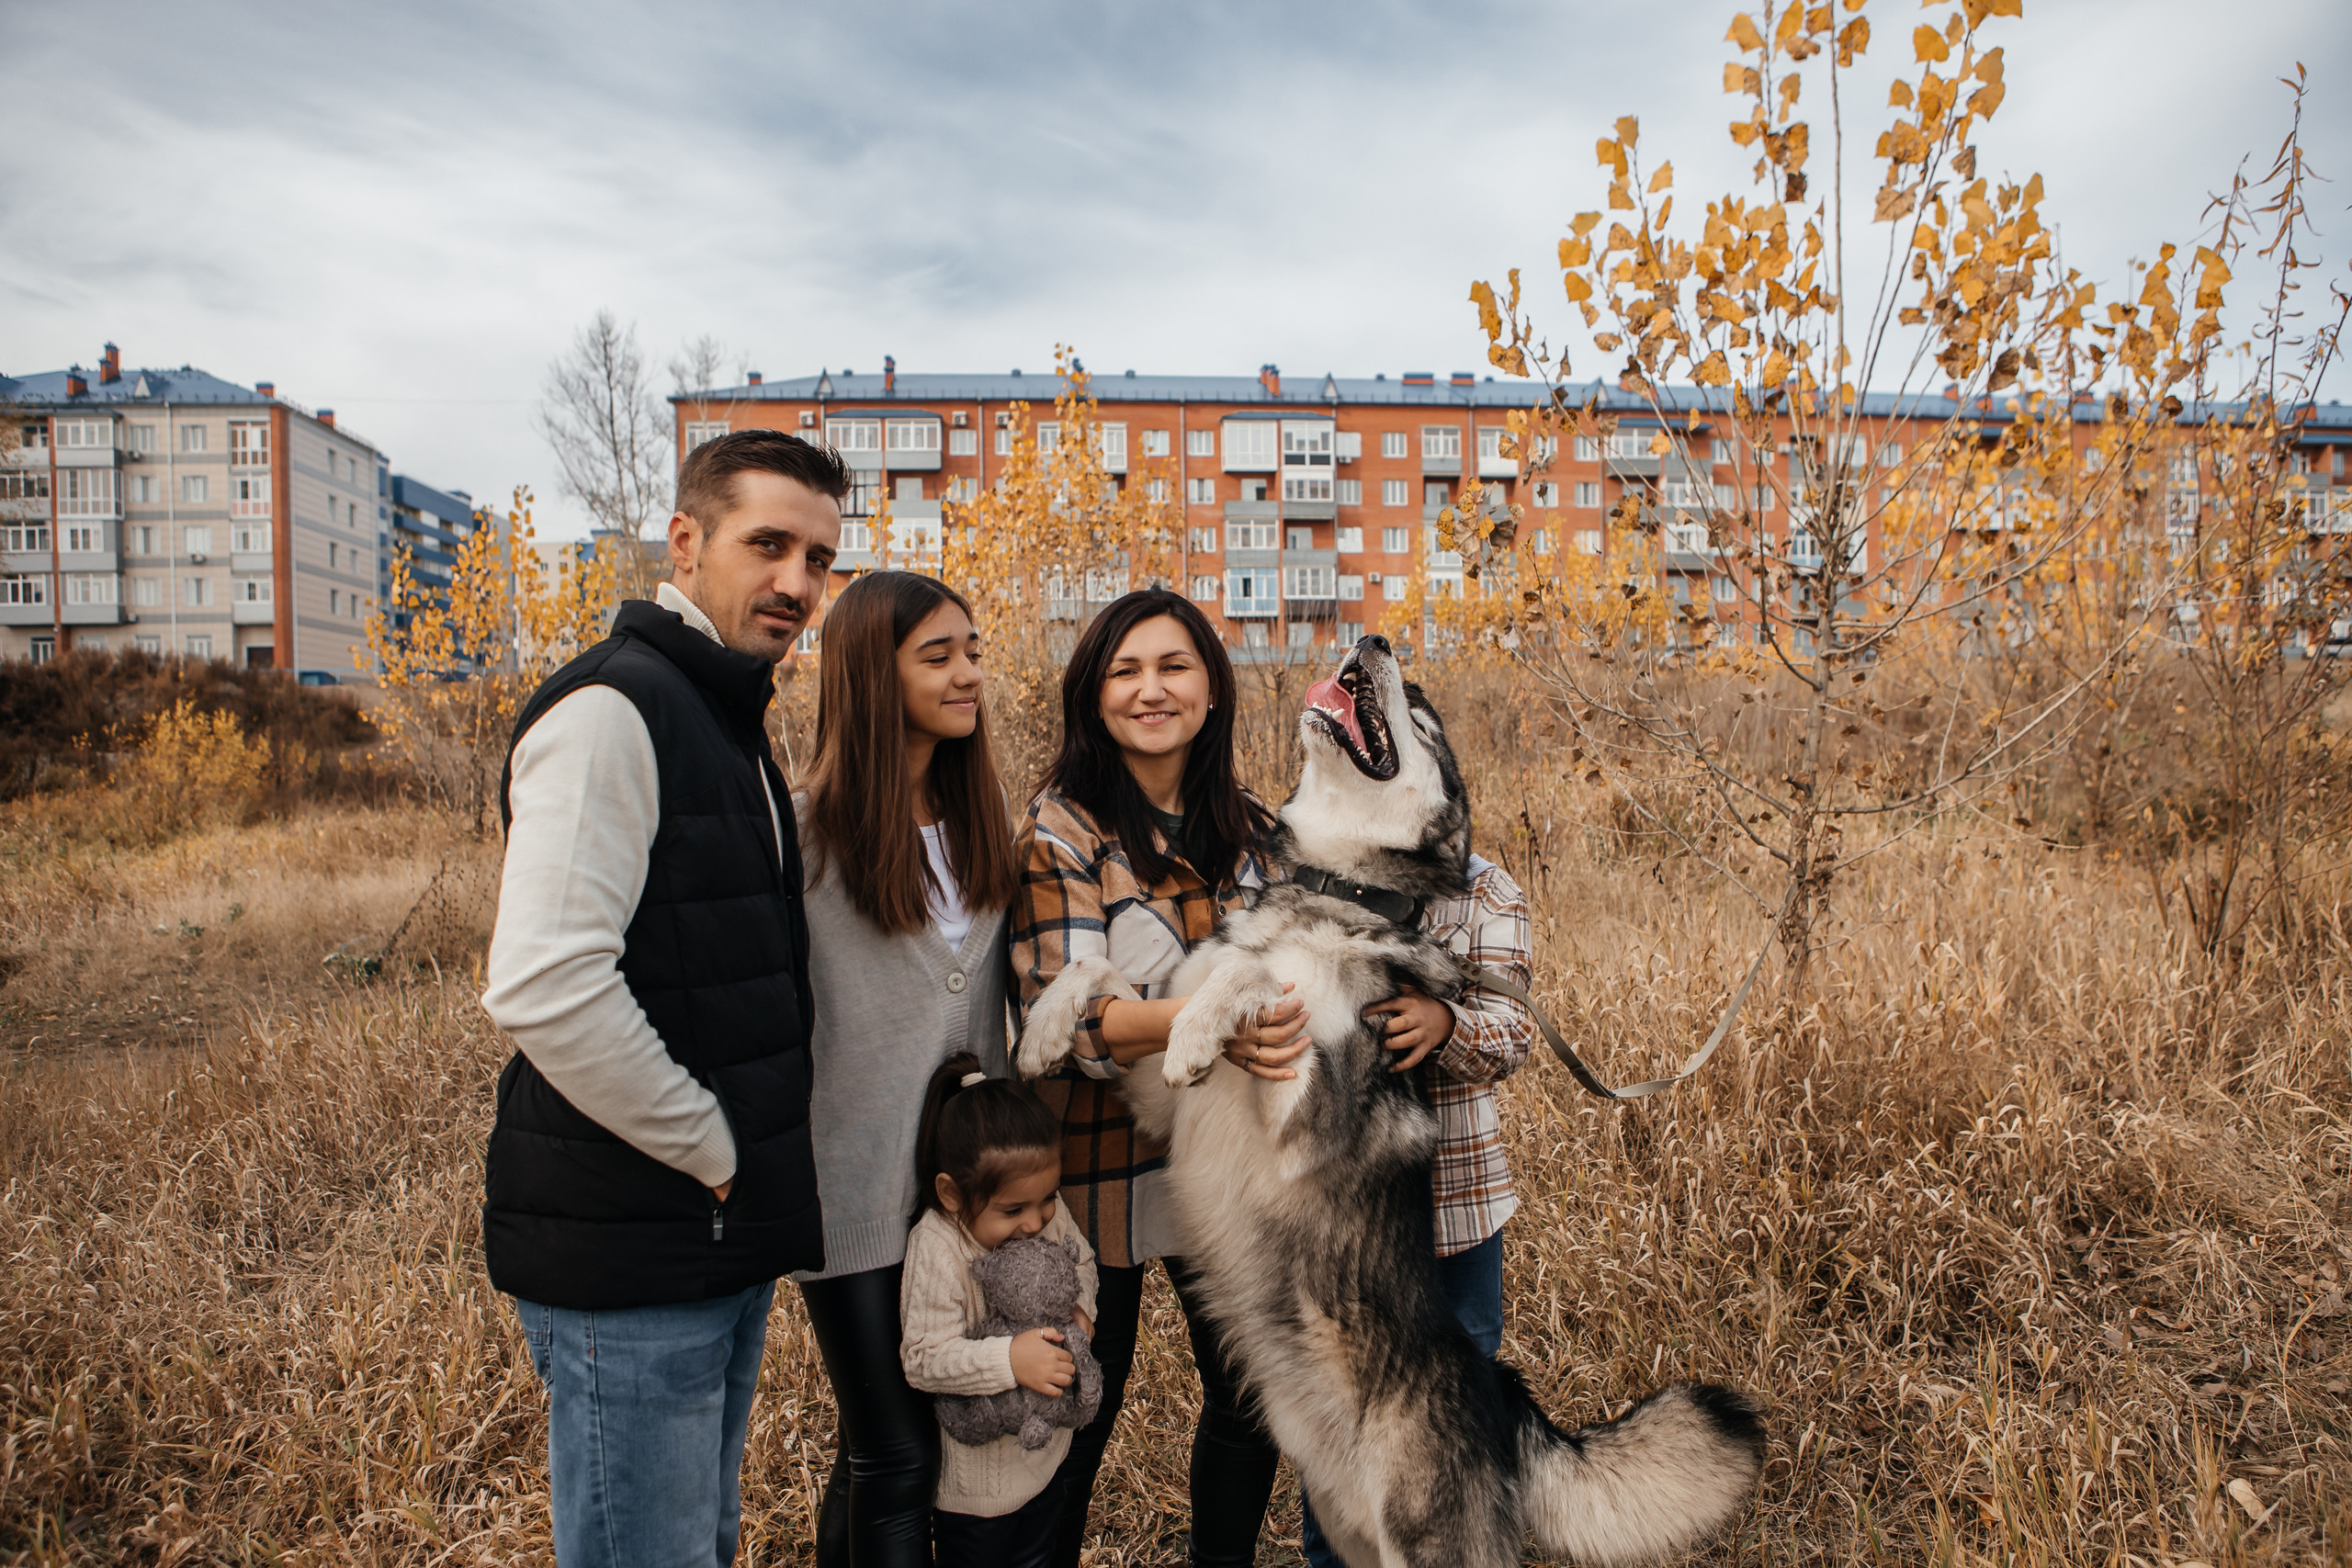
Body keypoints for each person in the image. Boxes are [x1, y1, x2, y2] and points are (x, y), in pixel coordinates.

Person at [480, 429, 844, 1566]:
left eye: (819, 560)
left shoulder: (721, 717)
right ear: (685, 541)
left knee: (697, 1542)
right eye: (767, 544)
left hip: (705, 1234)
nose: (794, 582)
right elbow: (545, 983)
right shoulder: (614, 711)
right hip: (641, 1242)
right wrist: (711, 1146)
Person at [1010, 588, 1308, 1568]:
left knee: (1247, 1397)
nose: (1151, 690)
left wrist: (1274, 1025)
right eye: (1125, 671)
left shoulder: (1257, 832)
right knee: (1079, 1403)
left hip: (1228, 1169)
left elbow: (1294, 978)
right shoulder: (1059, 829)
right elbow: (1076, 1021)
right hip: (1095, 1168)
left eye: (1173, 666)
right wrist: (1212, 1023)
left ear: (1212, 689)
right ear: (1093, 696)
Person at [793, 570, 1021, 1566]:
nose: (969, 673)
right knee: (894, 1454)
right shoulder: (800, 836)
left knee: (897, 1450)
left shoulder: (984, 827)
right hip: (847, 1191)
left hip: (960, 1197)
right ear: (867, 676)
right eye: (939, 655)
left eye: (972, 650)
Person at [1297, 848, 1536, 1566]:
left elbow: (1515, 1032)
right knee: (1338, 1411)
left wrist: (1446, 1021)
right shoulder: (1316, 877)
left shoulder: (1486, 890)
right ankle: (1336, 1554)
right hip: (1348, 1225)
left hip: (1457, 1215)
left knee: (1454, 1404)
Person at [900, 1057, 1100, 1568]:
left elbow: (1084, 1262)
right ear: (951, 1193)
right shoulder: (939, 1248)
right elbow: (924, 1358)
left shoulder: (1043, 1219)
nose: (1036, 1222)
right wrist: (1008, 1360)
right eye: (1012, 1210)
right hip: (977, 1498)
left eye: (1048, 1199)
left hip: (1043, 1463)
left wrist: (1081, 1312)